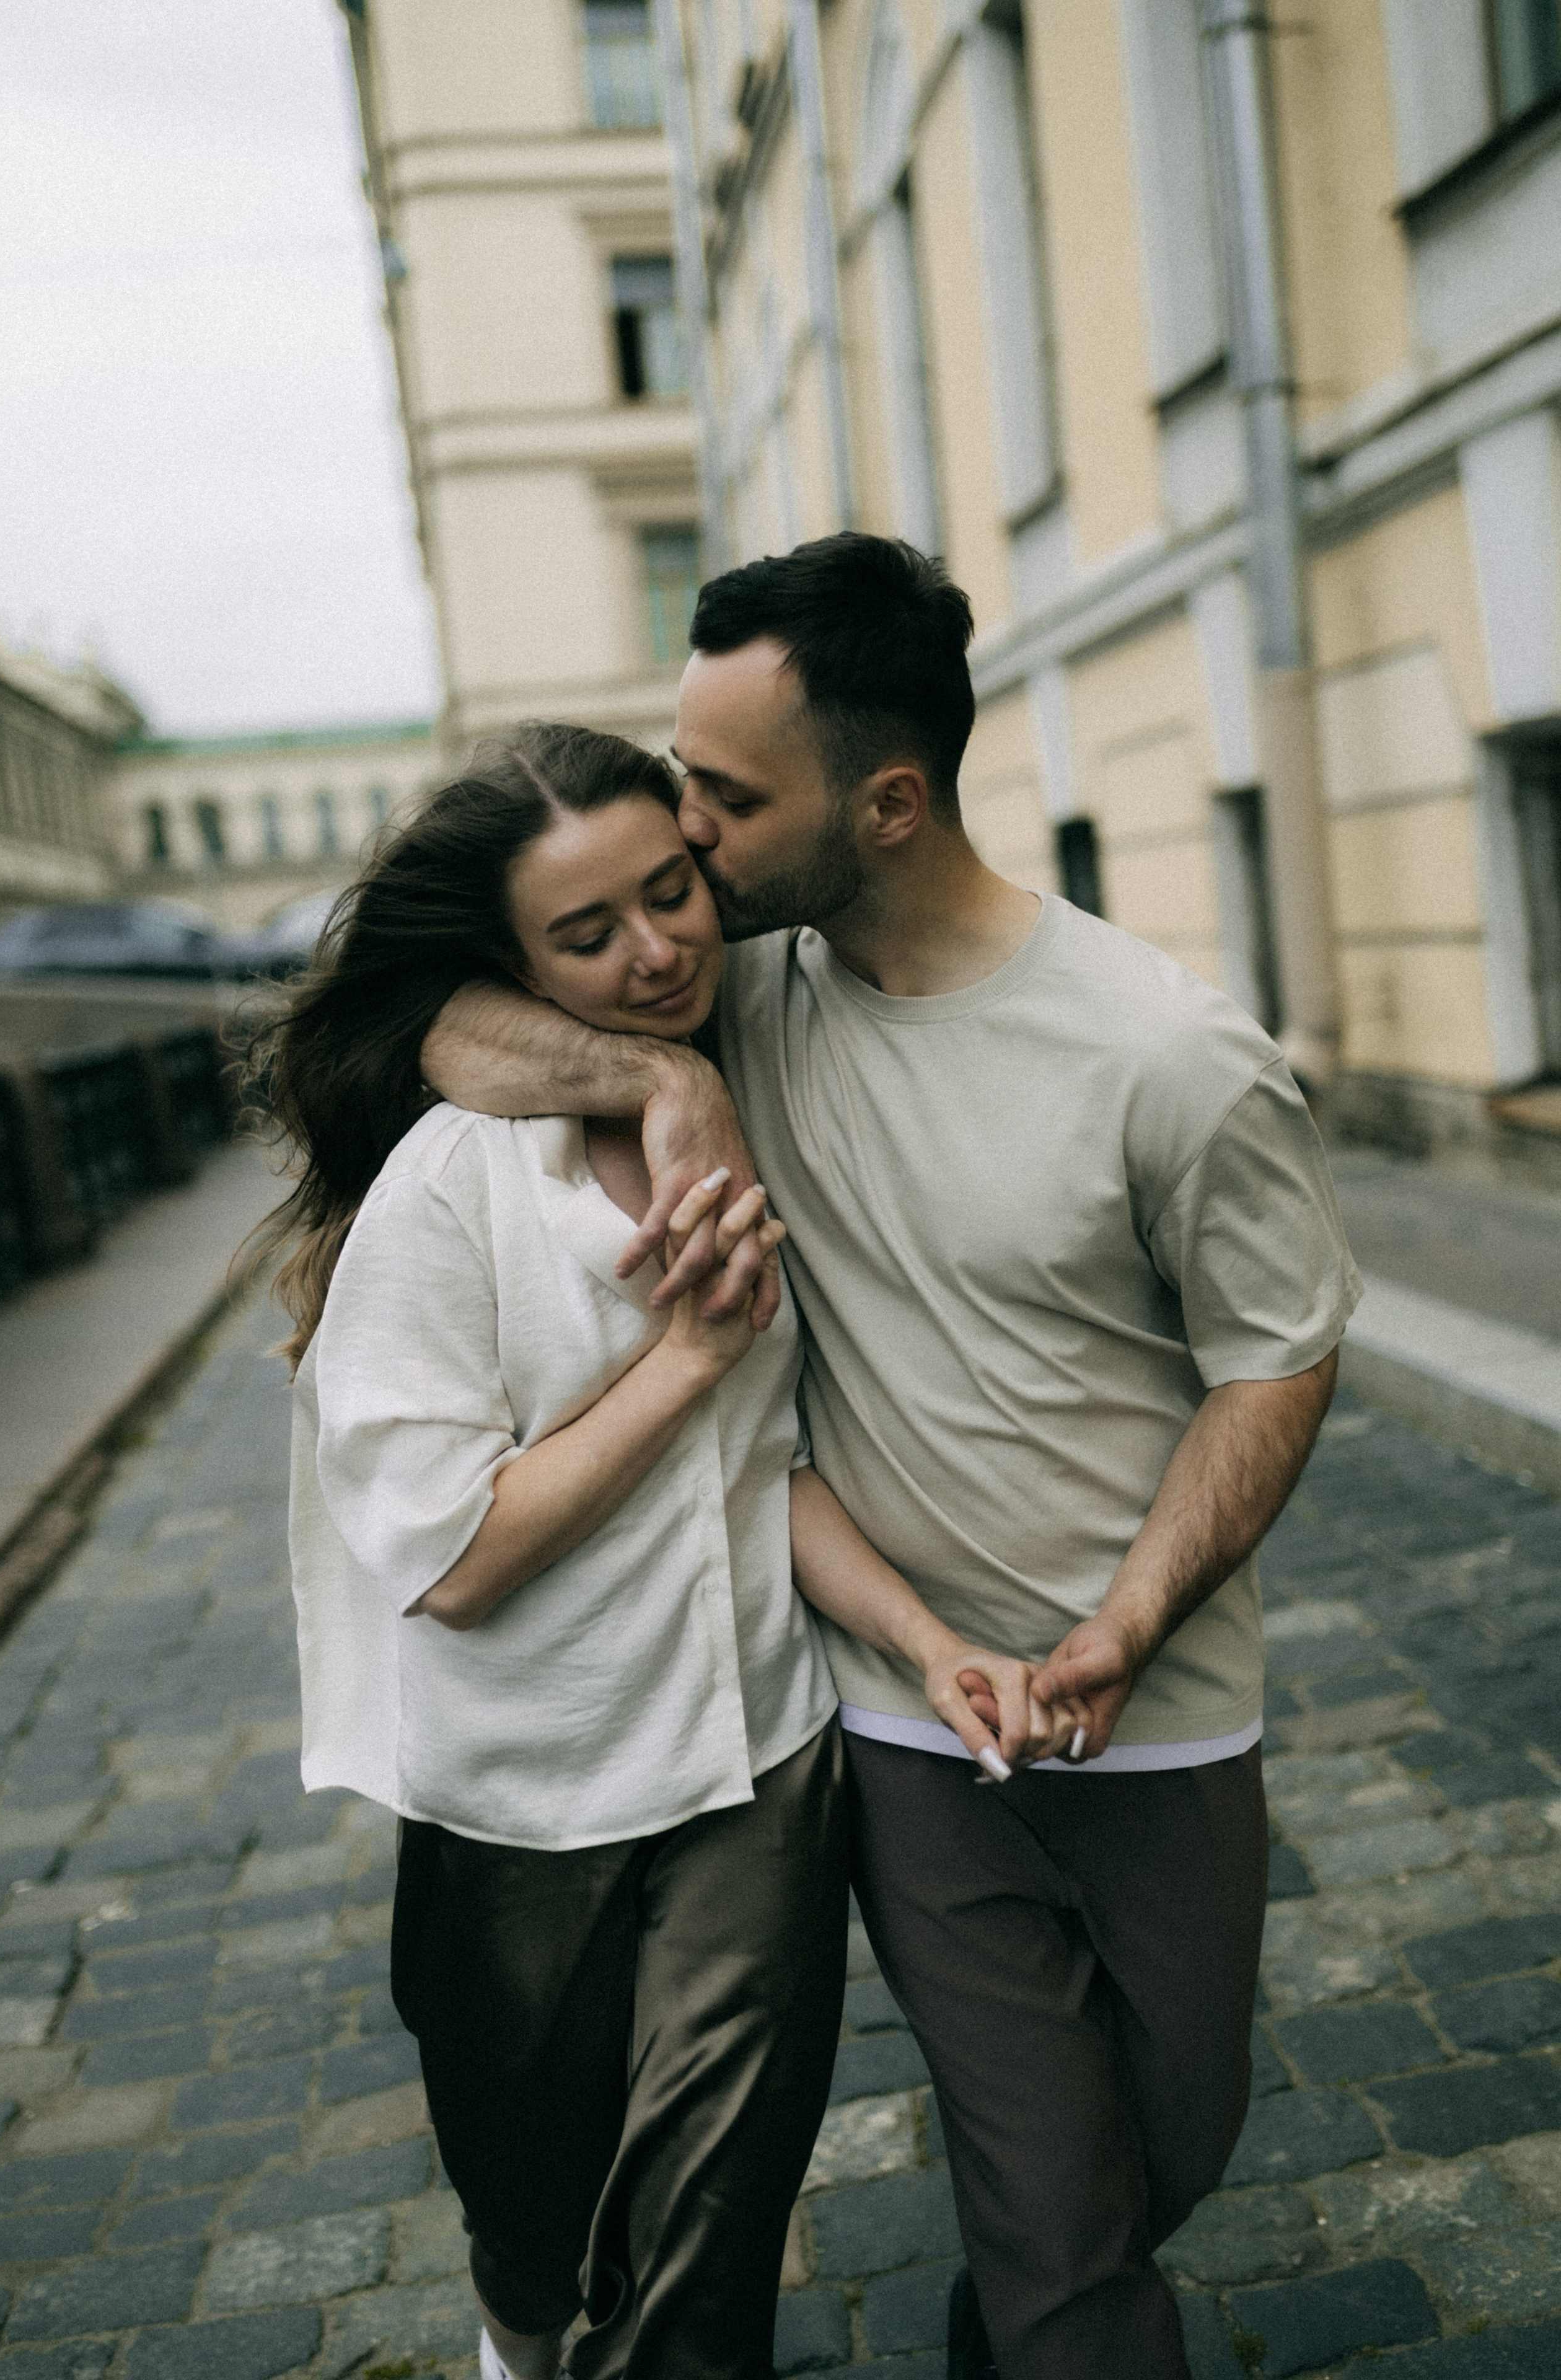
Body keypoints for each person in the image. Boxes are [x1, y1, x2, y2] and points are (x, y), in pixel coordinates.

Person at [421, 537, 1362, 2380]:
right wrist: (664, 1081)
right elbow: (440, 1021)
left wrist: (1133, 1618)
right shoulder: (736, 997)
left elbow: (1275, 1361)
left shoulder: (1172, 1055)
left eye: (725, 795)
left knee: (1169, 2148)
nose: (685, 836)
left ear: (891, 802)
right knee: (1057, 2212)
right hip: (907, 1722)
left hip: (1163, 1710)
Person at [262, 721, 1080, 2380]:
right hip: (525, 1804)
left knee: (705, 2258)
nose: (654, 952)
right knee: (533, 2235)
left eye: (670, 893)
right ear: (516, 966)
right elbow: (452, 1559)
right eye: (587, 935)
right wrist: (689, 1351)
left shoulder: (765, 1079)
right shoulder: (450, 1190)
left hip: (756, 1771)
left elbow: (763, 1474)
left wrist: (928, 1644)